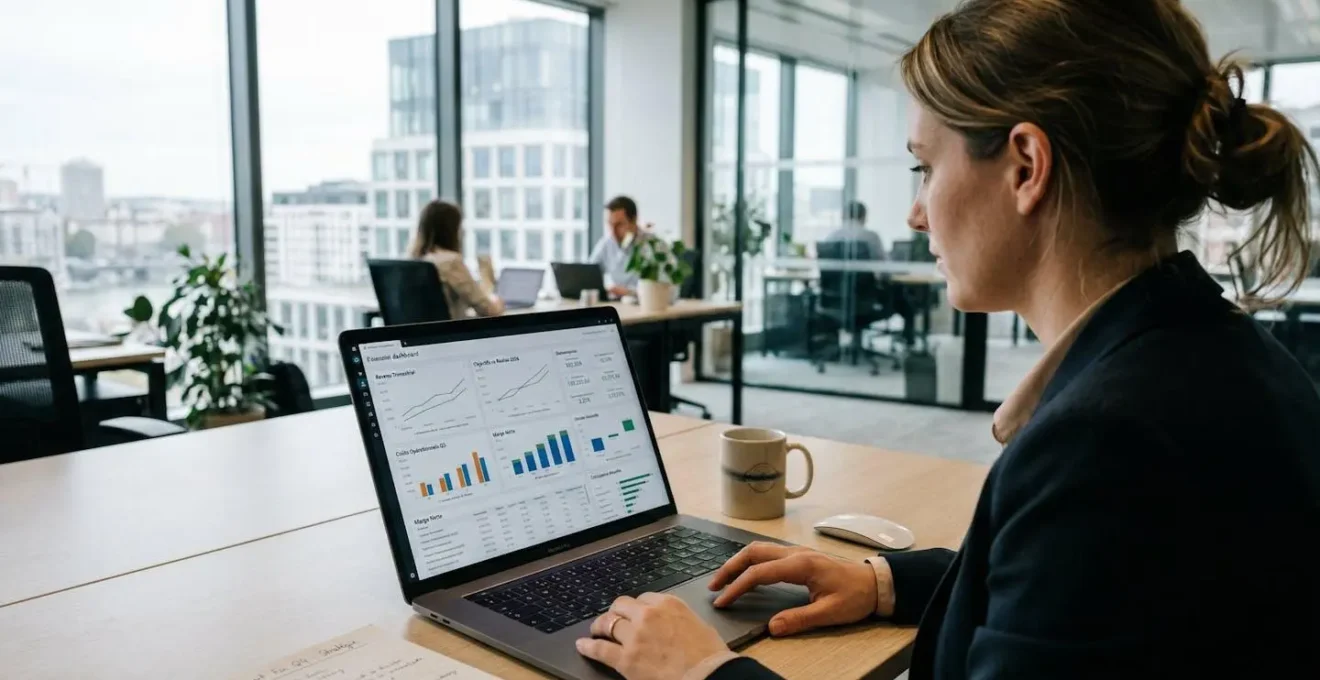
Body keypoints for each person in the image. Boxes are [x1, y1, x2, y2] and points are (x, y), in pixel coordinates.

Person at [573, 2, 1320, 679]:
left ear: (1027, 166)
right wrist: (883, 581)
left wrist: (701, 673)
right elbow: (1073, 586)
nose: (916, 214)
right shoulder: (1232, 357)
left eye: (925, 167)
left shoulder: (1105, 444)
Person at [408, 200, 504, 319]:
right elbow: (489, 310)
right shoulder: (450, 262)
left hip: (423, 334)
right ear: (451, 230)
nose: (462, 232)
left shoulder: (415, 261)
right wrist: (498, 300)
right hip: (453, 333)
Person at [590, 195, 655, 298]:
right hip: (618, 305)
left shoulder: (653, 245)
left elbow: (664, 292)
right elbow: (589, 273)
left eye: (619, 225)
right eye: (610, 224)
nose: (613, 232)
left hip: (643, 306)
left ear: (634, 220)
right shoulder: (606, 243)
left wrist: (630, 293)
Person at [821, 201, 886, 261]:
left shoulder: (832, 236)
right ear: (864, 217)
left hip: (835, 274)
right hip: (864, 273)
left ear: (843, 216)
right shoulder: (872, 237)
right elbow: (883, 263)